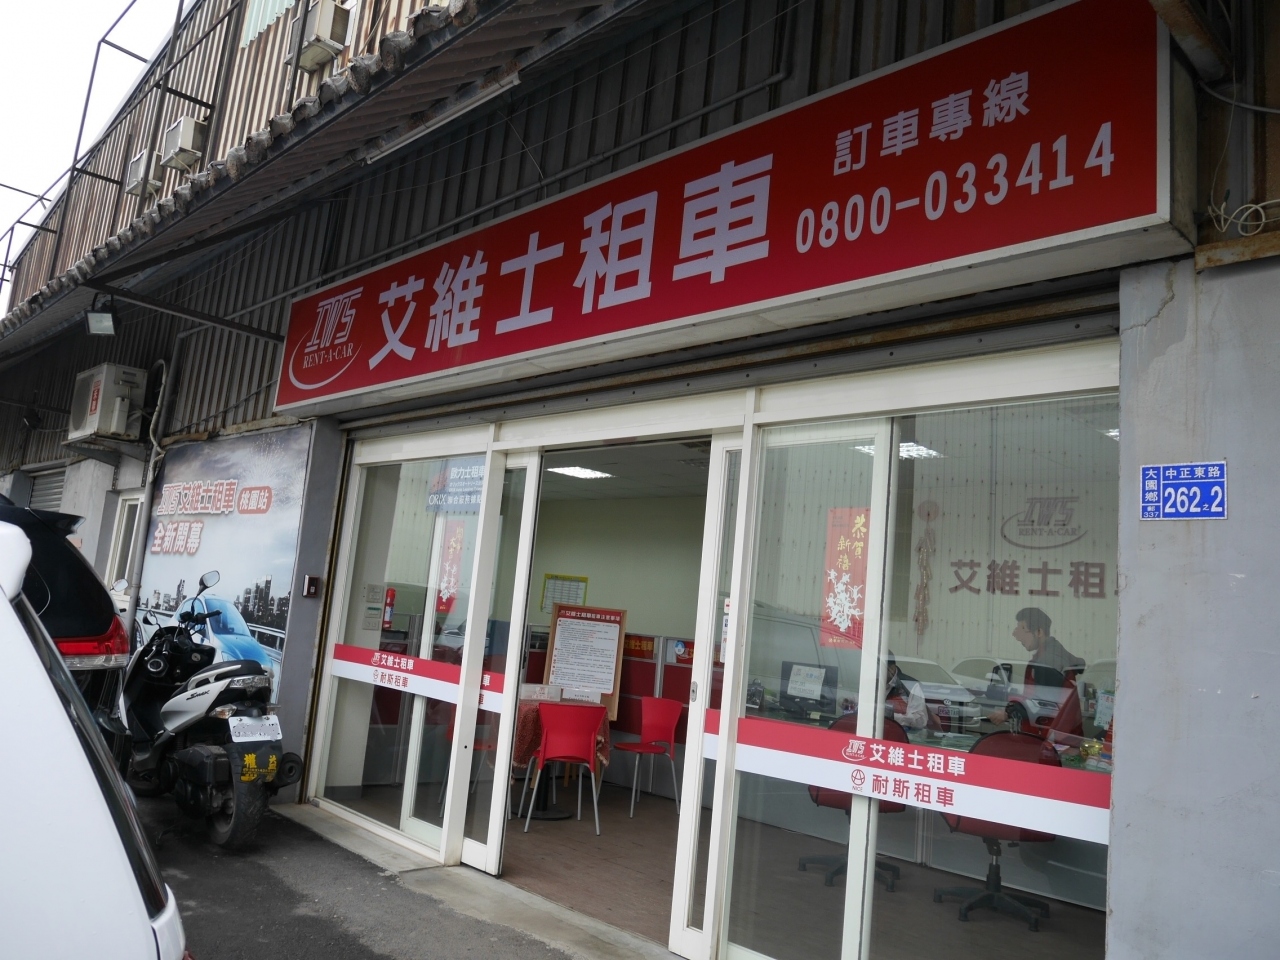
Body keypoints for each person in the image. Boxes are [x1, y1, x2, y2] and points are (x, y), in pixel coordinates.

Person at [987, 607, 1085, 745]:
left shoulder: (1048, 661)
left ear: (1039, 632)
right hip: (1062, 737)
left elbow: (1041, 704)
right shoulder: (1054, 655)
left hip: (1052, 740)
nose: (1016, 635)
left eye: (1022, 629)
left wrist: (1008, 713)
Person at [884, 652, 929, 731]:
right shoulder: (870, 683)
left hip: (902, 733)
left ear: (892, 669)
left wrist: (892, 716)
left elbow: (920, 721)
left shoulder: (911, 686)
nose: (875, 673)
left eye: (879, 669)